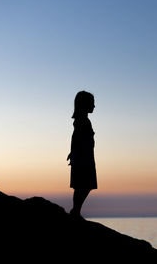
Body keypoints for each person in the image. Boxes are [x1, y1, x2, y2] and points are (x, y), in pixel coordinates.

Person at [67, 91, 97, 219]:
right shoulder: (82, 121)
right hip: (83, 157)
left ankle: (76, 210)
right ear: (84, 104)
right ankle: (76, 211)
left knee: (83, 185)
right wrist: (74, 153)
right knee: (82, 185)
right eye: (92, 103)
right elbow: (76, 138)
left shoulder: (84, 120)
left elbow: (75, 138)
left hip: (86, 156)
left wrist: (73, 152)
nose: (94, 106)